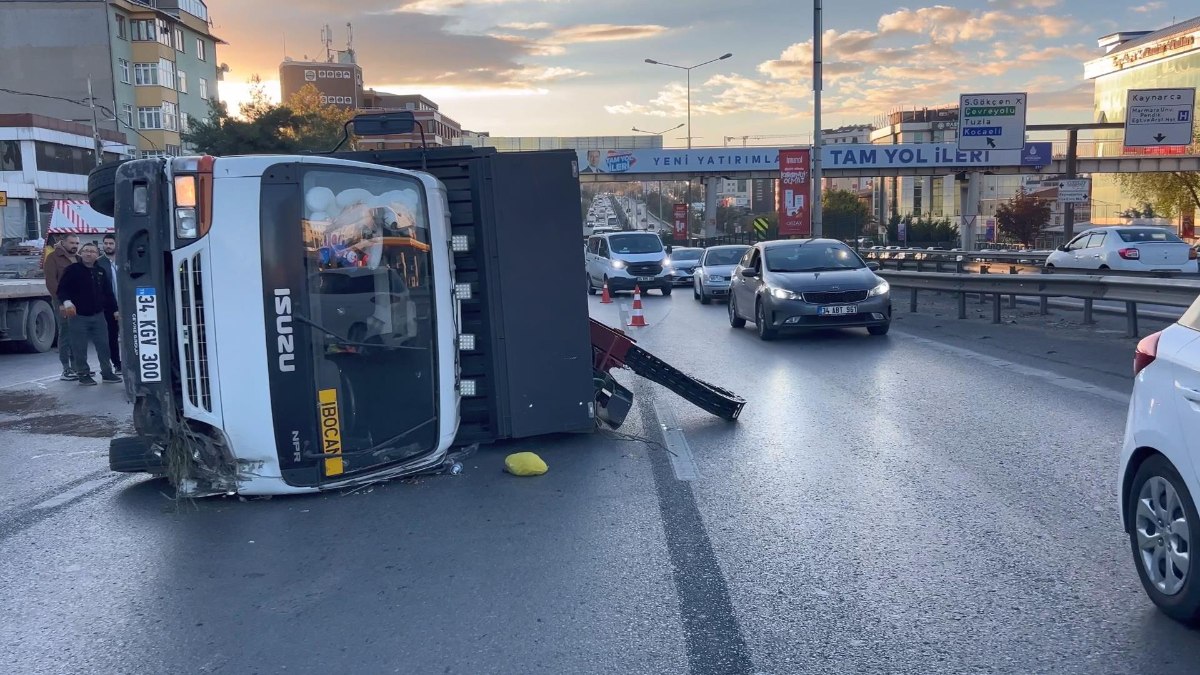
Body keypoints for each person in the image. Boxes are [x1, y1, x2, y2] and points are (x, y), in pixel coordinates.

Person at [56, 243, 120, 386]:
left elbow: (108, 294)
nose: (88, 254)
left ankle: (107, 372)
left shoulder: (100, 271)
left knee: (104, 345)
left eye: (92, 251)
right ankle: (83, 374)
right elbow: (62, 289)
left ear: (97, 255)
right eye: (85, 251)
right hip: (78, 315)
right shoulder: (72, 270)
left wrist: (115, 309)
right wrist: (66, 302)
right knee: (79, 347)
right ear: (81, 253)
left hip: (98, 315)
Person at [43, 233, 80, 380]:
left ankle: (78, 366)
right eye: (72, 243)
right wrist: (61, 302)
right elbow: (51, 282)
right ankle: (66, 368)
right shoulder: (53, 258)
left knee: (77, 334)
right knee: (65, 334)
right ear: (63, 243)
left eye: (77, 243)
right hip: (63, 303)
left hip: (79, 302)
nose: (75, 246)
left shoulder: (78, 258)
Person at [97, 233, 122, 373]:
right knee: (111, 337)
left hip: (126, 304)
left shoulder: (124, 260)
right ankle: (117, 364)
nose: (108, 246)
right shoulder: (99, 262)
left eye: (111, 243)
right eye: (105, 243)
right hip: (108, 307)